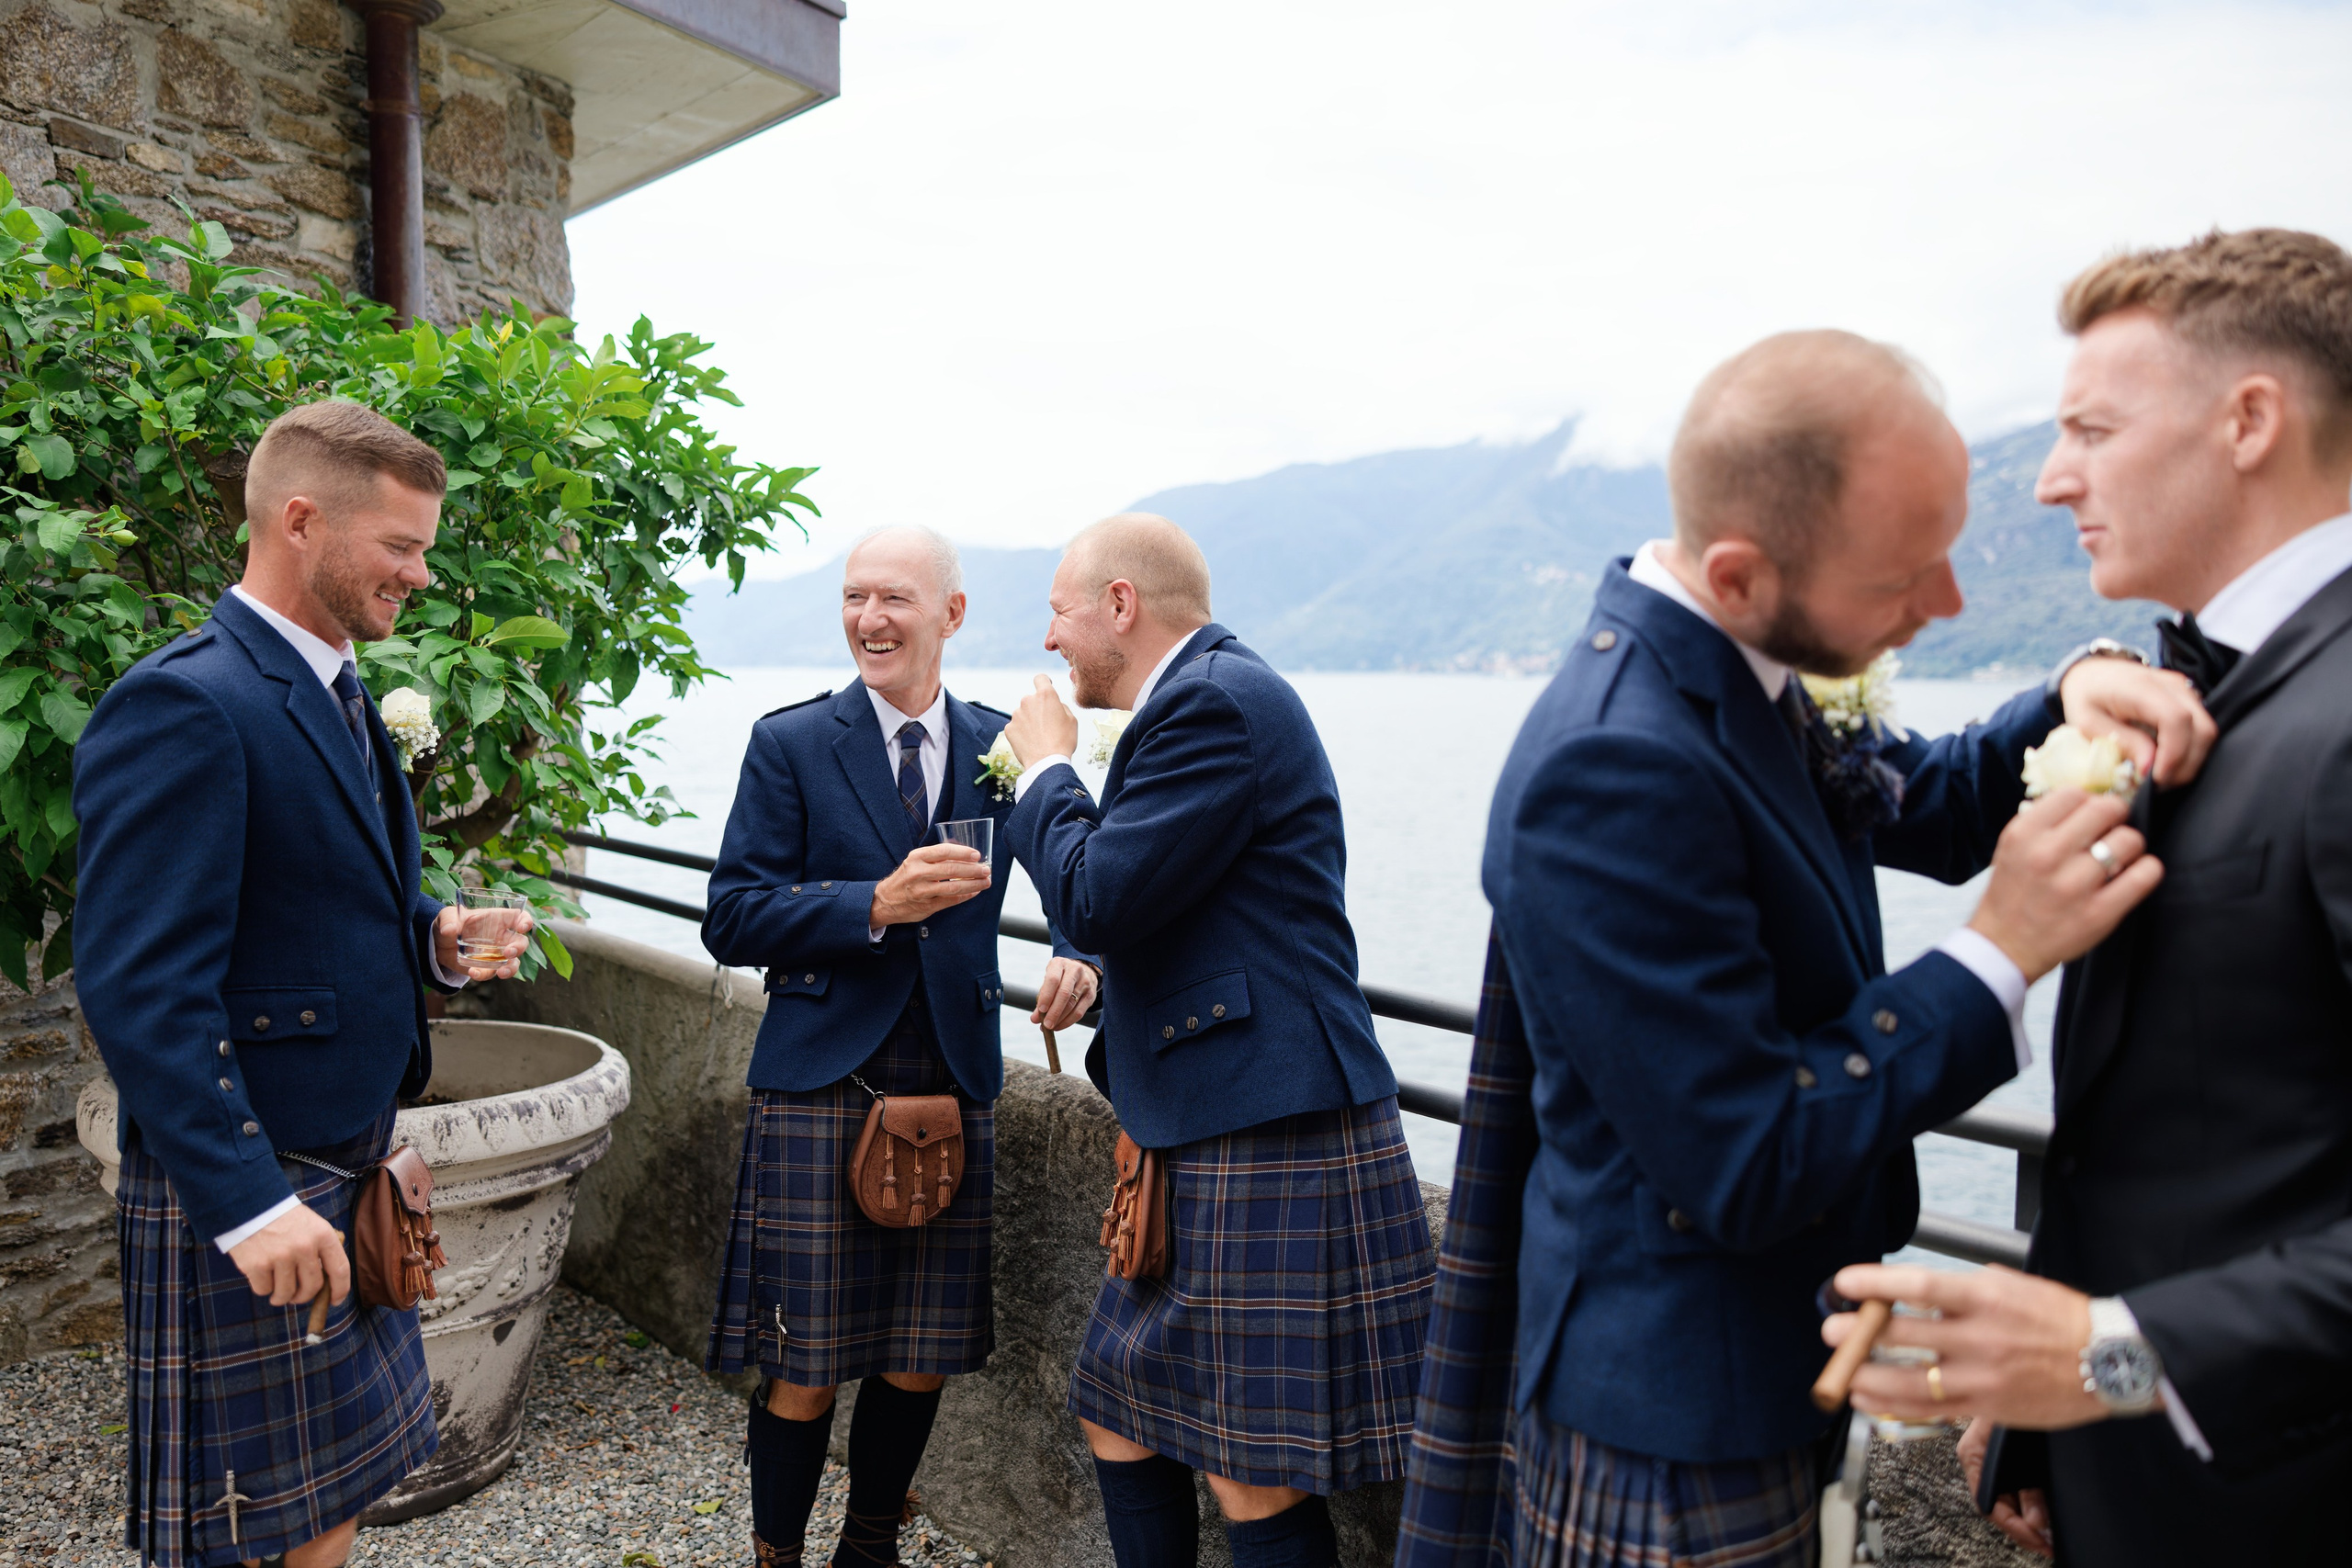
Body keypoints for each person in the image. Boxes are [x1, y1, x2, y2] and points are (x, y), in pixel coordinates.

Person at [1393, 332, 2214, 1568]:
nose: (1948, 602)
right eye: (1904, 576)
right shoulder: (1613, 766)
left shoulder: (1742, 666)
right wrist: (2001, 950)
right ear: (1740, 573)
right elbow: (1744, 1158)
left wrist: (2075, 690)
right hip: (1672, 1429)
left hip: (1762, 1364)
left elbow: (1930, 798)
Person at [1829, 228, 2352, 1566]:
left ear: (2250, 421)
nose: (2053, 476)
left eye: (2092, 430)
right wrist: (2047, 1402)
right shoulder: (2186, 686)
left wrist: (2106, 1358)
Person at [73, 400, 532, 1568]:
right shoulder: (188, 701)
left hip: (347, 1159)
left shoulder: (336, 689)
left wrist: (437, 938)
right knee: (239, 1531)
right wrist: (244, 1202)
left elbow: (320, 901)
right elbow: (141, 986)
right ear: (298, 521)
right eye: (400, 546)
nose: (420, 574)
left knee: (328, 1509)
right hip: (260, 1179)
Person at [996, 513, 1435, 1568]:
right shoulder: (1197, 699)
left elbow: (1097, 893)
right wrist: (1099, 968)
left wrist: (1045, 770)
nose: (1049, 640)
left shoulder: (1214, 704)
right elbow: (1162, 900)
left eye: (1058, 612)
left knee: (1251, 1469)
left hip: (1269, 1119)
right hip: (1212, 1111)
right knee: (1118, 1408)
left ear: (1120, 604)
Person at [700, 525, 1102, 1567]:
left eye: (893, 599)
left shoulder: (1003, 748)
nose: (869, 619)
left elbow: (1084, 878)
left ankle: (869, 1549)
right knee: (803, 1360)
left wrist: (1079, 954)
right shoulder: (791, 742)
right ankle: (777, 1555)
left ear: (950, 614)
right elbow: (732, 916)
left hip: (952, 1075)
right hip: (820, 1075)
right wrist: (871, 904)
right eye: (854, 597)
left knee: (920, 1352)